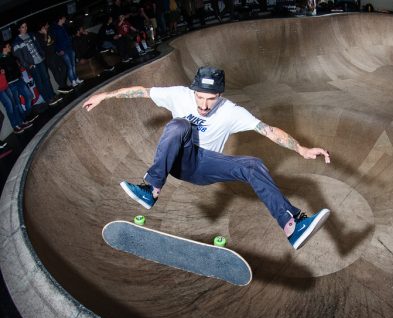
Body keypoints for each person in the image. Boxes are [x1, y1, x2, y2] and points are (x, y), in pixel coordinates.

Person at [83, 66, 332, 249]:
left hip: (204, 165)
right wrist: (105, 95)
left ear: (220, 96)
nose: (203, 105)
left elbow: (267, 130)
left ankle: (291, 225)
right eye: (199, 97)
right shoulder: (179, 94)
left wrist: (300, 149)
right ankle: (152, 188)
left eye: (210, 99)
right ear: (193, 90)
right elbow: (141, 91)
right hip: (178, 160)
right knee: (179, 126)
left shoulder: (232, 112)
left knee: (253, 164)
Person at [12, 21, 63, 107]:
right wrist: (28, 65)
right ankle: (48, 99)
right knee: (39, 82)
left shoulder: (31, 35)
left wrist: (42, 55)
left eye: (26, 26)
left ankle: (52, 96)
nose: (25, 28)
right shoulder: (17, 41)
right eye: (23, 27)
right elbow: (20, 57)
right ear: (19, 29)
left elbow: (40, 44)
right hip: (32, 64)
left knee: (46, 78)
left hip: (40, 60)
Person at [0, 42, 38, 127]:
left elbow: (17, 65)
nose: (10, 47)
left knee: (29, 96)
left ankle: (27, 115)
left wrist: (18, 65)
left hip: (18, 79)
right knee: (17, 103)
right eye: (8, 46)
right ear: (4, 48)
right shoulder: (1, 59)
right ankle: (24, 119)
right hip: (10, 84)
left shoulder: (12, 56)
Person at [36, 21, 73, 94]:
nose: (48, 26)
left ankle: (62, 86)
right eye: (46, 25)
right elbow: (44, 44)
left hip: (55, 53)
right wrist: (45, 34)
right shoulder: (38, 36)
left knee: (64, 67)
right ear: (42, 27)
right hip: (48, 57)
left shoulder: (49, 31)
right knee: (56, 72)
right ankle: (63, 86)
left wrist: (58, 50)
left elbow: (54, 41)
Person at [51, 16, 84, 87]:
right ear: (60, 19)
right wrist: (59, 50)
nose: (65, 19)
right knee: (69, 66)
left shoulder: (64, 27)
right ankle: (73, 81)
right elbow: (54, 41)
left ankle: (76, 79)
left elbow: (68, 36)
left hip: (69, 48)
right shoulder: (55, 29)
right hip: (63, 50)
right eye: (63, 18)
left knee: (73, 65)